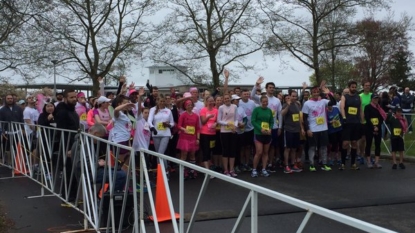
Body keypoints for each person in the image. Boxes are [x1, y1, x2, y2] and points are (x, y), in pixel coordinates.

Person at [251, 77, 282, 173]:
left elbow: (279, 114)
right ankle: (257, 167)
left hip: (273, 128)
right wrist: (256, 84)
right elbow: (252, 95)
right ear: (266, 88)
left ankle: (269, 164)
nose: (271, 89)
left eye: (273, 87)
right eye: (270, 87)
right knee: (260, 151)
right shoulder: (261, 98)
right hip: (260, 130)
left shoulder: (277, 100)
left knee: (272, 147)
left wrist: (280, 126)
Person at [302, 85, 336, 172]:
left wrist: (329, 93)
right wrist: (308, 129)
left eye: (317, 92)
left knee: (324, 147)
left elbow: (333, 102)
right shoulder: (307, 103)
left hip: (323, 128)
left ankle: (324, 163)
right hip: (313, 129)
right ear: (311, 94)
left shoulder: (323, 101)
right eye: (314, 92)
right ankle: (311, 164)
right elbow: (304, 118)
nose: (316, 94)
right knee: (312, 147)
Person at [55, 89, 80, 203]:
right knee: (69, 172)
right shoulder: (62, 113)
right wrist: (68, 148)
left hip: (75, 144)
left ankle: (73, 196)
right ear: (65, 98)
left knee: (75, 172)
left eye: (75, 97)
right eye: (71, 97)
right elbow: (62, 132)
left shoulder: (73, 111)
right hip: (67, 146)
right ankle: (67, 197)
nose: (74, 99)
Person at [339, 81, 363, 170]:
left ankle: (353, 163)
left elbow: (360, 109)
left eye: (355, 87)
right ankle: (342, 163)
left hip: (356, 123)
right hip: (347, 123)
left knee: (354, 143)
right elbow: (342, 107)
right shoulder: (344, 97)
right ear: (349, 87)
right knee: (345, 143)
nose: (354, 88)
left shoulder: (358, 97)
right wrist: (344, 117)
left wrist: (362, 120)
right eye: (352, 87)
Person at [148, 94, 175, 169]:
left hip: (165, 134)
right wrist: (152, 128)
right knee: (159, 154)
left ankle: (164, 171)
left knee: (160, 153)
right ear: (157, 101)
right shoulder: (152, 109)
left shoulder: (168, 110)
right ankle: (162, 171)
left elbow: (172, 123)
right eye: (160, 101)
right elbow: (149, 121)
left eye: (163, 101)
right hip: (156, 134)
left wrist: (168, 125)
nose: (162, 103)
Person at [251, 95, 273, 177]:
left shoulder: (269, 110)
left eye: (266, 102)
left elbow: (271, 121)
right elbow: (253, 121)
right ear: (260, 102)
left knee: (265, 152)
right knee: (259, 152)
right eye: (263, 102)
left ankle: (264, 169)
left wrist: (270, 128)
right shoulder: (256, 110)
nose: (265, 103)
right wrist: (260, 129)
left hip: (267, 134)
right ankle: (254, 169)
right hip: (258, 133)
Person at [177, 100, 200, 179]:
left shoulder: (196, 116)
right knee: (184, 154)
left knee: (192, 154)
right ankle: (182, 171)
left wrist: (198, 138)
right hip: (184, 137)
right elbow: (179, 126)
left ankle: (192, 170)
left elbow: (198, 128)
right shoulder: (183, 115)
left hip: (193, 137)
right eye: (188, 105)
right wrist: (184, 129)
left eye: (191, 105)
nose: (190, 106)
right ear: (185, 106)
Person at [281, 90, 303, 173]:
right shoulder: (285, 105)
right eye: (292, 96)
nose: (294, 98)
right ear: (289, 96)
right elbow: (282, 114)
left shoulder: (297, 105)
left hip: (296, 130)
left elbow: (299, 117)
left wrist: (301, 128)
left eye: (295, 96)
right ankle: (286, 166)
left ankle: (293, 165)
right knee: (288, 148)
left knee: (294, 149)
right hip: (288, 130)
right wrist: (288, 106)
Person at [217, 94, 238, 177]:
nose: (227, 100)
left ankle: (232, 169)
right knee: (225, 150)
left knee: (232, 150)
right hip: (224, 131)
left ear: (230, 99)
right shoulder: (221, 108)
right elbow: (219, 120)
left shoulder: (235, 106)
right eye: (225, 98)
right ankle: (226, 170)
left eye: (228, 98)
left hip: (232, 131)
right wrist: (227, 124)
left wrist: (234, 126)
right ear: (223, 100)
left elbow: (236, 119)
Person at [364, 94, 386, 168]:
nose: (376, 100)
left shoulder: (379, 108)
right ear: (371, 99)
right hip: (369, 127)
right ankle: (369, 161)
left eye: (377, 98)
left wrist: (378, 126)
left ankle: (376, 161)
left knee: (378, 144)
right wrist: (373, 126)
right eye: (375, 98)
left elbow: (382, 118)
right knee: (369, 144)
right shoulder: (367, 107)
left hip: (378, 127)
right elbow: (367, 118)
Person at [237, 89, 256, 172]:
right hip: (240, 129)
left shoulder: (252, 103)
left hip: (250, 128)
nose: (246, 95)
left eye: (247, 94)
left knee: (248, 147)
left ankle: (247, 163)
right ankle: (241, 163)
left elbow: (255, 113)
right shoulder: (238, 103)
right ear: (241, 95)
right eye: (244, 94)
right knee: (241, 147)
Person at [199, 96, 218, 176]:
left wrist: (216, 124)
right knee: (205, 151)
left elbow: (218, 120)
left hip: (213, 133)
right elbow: (203, 122)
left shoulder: (216, 110)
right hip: (204, 133)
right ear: (206, 102)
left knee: (210, 151)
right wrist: (208, 117)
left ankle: (209, 169)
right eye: (209, 101)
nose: (210, 103)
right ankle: (207, 171)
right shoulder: (203, 110)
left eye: (212, 101)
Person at [358, 81, 372, 164]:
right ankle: (361, 154)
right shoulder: (360, 96)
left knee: (369, 139)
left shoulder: (372, 95)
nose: (367, 87)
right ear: (363, 87)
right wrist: (361, 119)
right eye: (366, 85)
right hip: (362, 120)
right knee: (362, 139)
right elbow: (359, 108)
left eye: (368, 85)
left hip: (370, 121)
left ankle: (368, 155)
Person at [326, 102, 342, 166]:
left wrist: (341, 122)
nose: (330, 107)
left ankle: (338, 157)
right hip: (331, 130)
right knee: (333, 144)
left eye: (330, 105)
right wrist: (330, 122)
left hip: (339, 128)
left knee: (340, 143)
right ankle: (331, 158)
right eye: (328, 106)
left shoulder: (336, 109)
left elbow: (341, 116)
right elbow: (325, 120)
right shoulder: (326, 112)